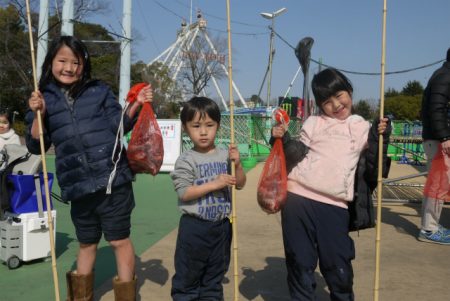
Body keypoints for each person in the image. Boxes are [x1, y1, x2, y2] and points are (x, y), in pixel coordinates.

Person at [26, 35, 153, 301]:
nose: (69, 68)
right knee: (86, 243)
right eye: (62, 61)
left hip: (113, 180)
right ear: (51, 62)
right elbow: (36, 144)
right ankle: (81, 297)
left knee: (119, 241)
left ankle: (126, 297)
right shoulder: (41, 97)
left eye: (77, 62)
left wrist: (137, 103)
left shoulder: (99, 90)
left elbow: (120, 124)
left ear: (85, 65)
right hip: (78, 186)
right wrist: (39, 113)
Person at [272, 68, 389, 301]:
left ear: (350, 91)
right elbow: (294, 154)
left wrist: (381, 138)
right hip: (297, 200)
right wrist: (281, 138)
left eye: (339, 95)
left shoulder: (361, 126)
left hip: (335, 205)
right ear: (319, 105)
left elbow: (378, 169)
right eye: (327, 101)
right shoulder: (313, 122)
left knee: (338, 265)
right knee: (300, 261)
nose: (336, 104)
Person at [170, 96, 246, 300]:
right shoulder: (186, 160)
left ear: (218, 126)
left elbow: (240, 183)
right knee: (187, 280)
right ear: (186, 128)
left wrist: (237, 164)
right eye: (196, 126)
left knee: (213, 280)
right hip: (194, 228)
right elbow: (184, 192)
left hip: (221, 227)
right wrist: (215, 183)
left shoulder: (225, 156)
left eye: (209, 125)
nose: (203, 132)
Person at [418, 48, 450, 245]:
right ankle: (429, 229)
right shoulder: (445, 77)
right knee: (437, 184)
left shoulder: (443, 75)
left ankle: (432, 226)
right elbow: (436, 107)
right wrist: (445, 135)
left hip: (438, 139)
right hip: (439, 140)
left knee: (440, 183)